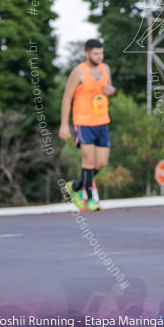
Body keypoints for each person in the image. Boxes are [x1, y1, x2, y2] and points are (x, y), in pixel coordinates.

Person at [58, 39, 116, 212]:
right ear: (87, 53)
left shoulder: (105, 69)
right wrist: (63, 124)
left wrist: (111, 91)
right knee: (88, 159)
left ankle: (75, 186)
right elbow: (67, 97)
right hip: (83, 121)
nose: (99, 56)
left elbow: (109, 89)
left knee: (102, 162)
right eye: (96, 53)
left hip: (102, 121)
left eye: (101, 53)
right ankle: (90, 200)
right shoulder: (78, 72)